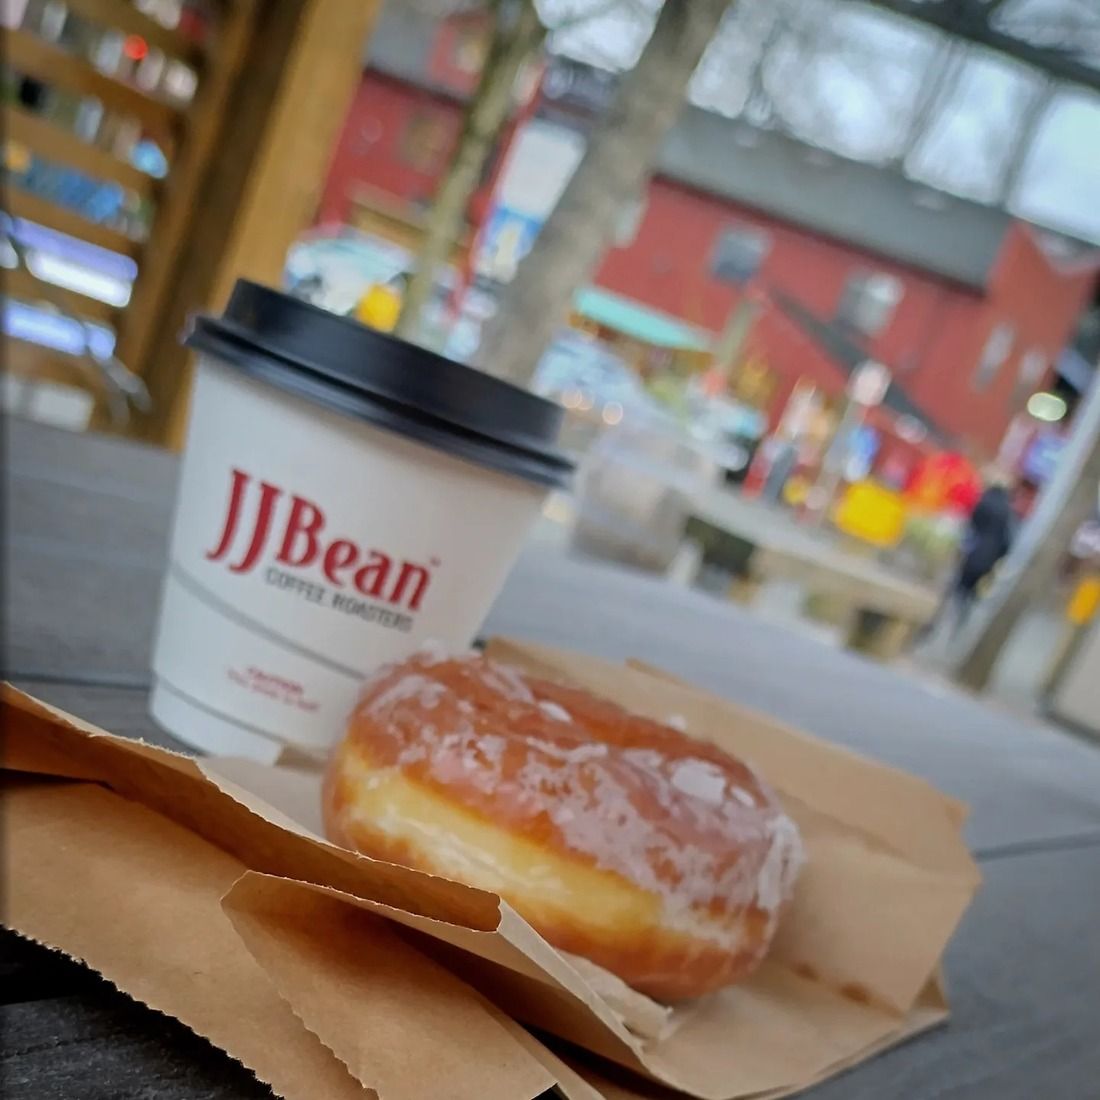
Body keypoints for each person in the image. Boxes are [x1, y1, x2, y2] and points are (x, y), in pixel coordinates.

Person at [927, 470, 1016, 636]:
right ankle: (958, 630)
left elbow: (971, 525)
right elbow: (1006, 542)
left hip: (971, 552)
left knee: (954, 589)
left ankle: (934, 626)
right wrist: (996, 559)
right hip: (987, 561)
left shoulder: (983, 501)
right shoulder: (1007, 510)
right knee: (969, 596)